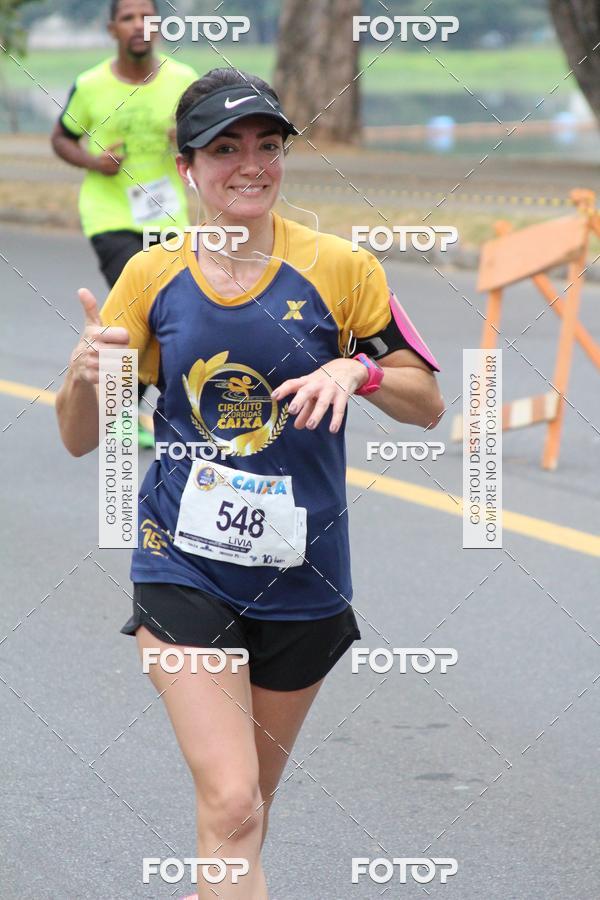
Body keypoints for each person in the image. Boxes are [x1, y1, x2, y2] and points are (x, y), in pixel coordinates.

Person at [56, 67, 444, 898]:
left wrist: (358, 374)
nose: (250, 164)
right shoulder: (152, 278)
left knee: (243, 814)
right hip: (181, 564)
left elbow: (429, 403)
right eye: (224, 148)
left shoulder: (343, 269)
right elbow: (79, 439)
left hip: (305, 579)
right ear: (187, 167)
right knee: (232, 804)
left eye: (266, 146)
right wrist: (85, 374)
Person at [50, 0, 197, 448]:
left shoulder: (183, 80)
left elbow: (212, 141)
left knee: (170, 308)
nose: (140, 25)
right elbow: (61, 138)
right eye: (129, 17)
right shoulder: (92, 85)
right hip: (110, 213)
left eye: (148, 17)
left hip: (168, 214)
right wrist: (94, 162)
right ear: (112, 28)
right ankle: (122, 410)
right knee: (143, 297)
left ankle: (131, 405)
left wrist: (186, 135)